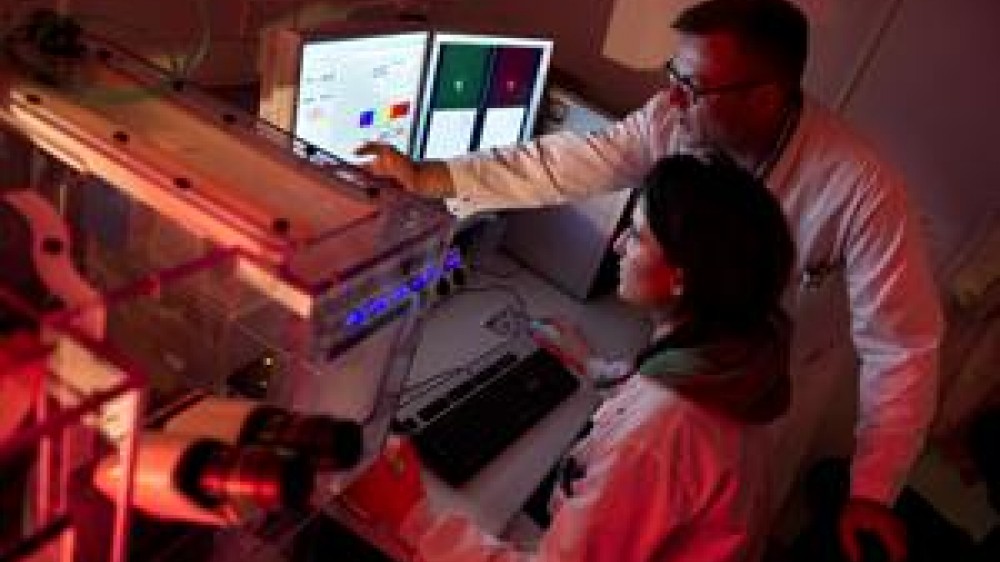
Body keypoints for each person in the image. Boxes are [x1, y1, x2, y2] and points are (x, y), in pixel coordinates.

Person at [358, 0, 942, 558]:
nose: (670, 98)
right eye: (674, 74)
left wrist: (871, 490)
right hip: (693, 389)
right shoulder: (678, 116)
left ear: (766, 97)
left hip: (747, 419)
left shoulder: (862, 190)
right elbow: (570, 163)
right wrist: (431, 176)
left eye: (693, 85)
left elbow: (903, 348)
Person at [345, 154, 796, 561]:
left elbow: (659, 442)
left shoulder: (663, 432)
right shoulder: (740, 358)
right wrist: (598, 370)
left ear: (681, 278)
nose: (618, 244)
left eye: (636, 236)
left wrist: (411, 516)